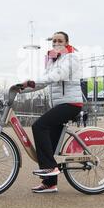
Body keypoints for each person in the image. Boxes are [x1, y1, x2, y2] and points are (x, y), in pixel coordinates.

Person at [21, 31, 83, 193]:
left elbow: (57, 75)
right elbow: (43, 82)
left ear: (67, 42)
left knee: (39, 126)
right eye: (54, 40)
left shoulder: (71, 58)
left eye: (60, 40)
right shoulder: (53, 60)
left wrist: (34, 81)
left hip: (71, 104)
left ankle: (49, 168)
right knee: (51, 145)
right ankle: (50, 183)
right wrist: (21, 88)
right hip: (59, 106)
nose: (56, 42)